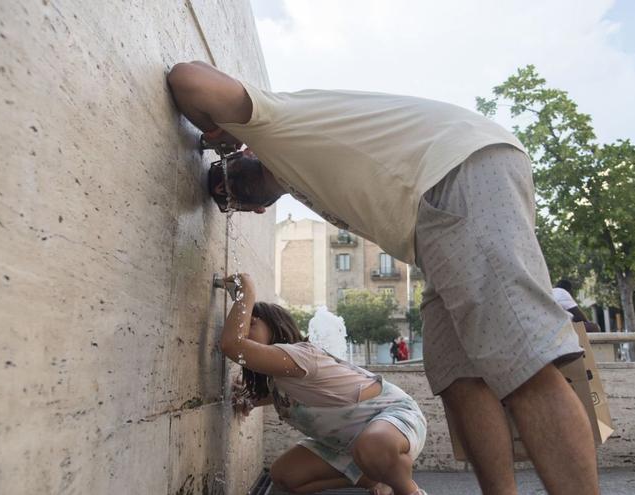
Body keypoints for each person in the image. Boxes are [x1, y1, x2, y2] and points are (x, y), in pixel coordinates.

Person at [168, 61, 599, 494]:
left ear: (241, 154)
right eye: (228, 202)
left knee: (522, 364)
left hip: (454, 172)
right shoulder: (298, 175)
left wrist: (231, 129)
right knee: (458, 378)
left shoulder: (270, 122)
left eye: (223, 181)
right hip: (432, 227)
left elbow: (188, 79)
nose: (230, 195)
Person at [220, 273, 428, 495]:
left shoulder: (300, 356)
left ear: (275, 326)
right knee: (284, 475)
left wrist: (247, 292)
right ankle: (372, 475)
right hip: (347, 444)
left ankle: (406, 488)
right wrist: (247, 399)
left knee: (373, 445)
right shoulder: (278, 381)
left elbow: (233, 345)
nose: (244, 330)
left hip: (394, 419)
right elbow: (277, 397)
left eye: (250, 323)